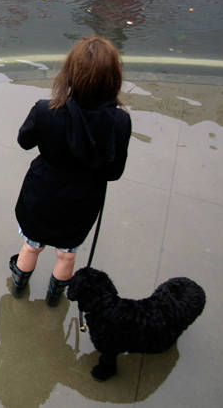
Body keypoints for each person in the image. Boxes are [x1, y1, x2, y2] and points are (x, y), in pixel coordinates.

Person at [9, 36, 132, 307]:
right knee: (66, 255)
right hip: (82, 201)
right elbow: (114, 173)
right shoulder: (120, 121)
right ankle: (54, 298)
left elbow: (24, 141)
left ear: (70, 73)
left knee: (31, 245)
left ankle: (18, 287)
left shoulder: (45, 110)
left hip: (41, 194)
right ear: (113, 77)